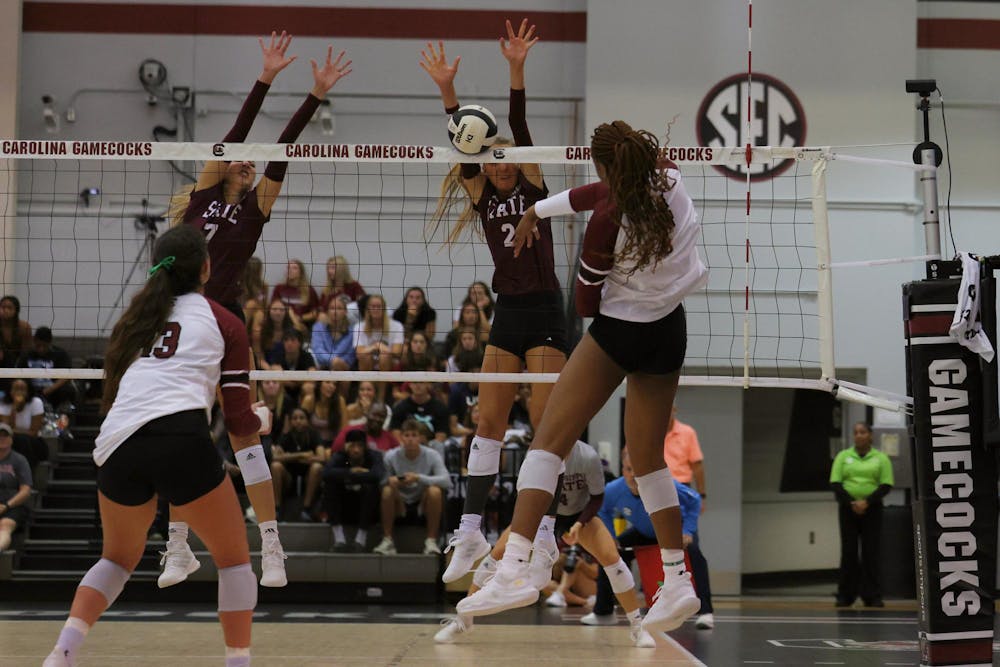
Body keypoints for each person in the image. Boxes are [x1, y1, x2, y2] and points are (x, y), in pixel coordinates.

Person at [455, 120, 708, 637]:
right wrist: (539, 208)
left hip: (620, 332)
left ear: (606, 167)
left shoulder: (605, 223)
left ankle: (514, 570)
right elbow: (600, 192)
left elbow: (587, 302)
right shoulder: (670, 176)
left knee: (547, 443)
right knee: (652, 461)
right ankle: (678, 580)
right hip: (671, 329)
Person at [161, 34, 350, 590]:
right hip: (179, 319)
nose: (242, 161)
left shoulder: (255, 211)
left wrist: (313, 94)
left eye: (247, 164)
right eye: (234, 160)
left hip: (219, 323)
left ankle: (273, 547)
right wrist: (264, 77)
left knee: (243, 433)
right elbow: (237, 134)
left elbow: (281, 149)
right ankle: (177, 549)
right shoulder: (200, 198)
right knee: (183, 433)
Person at [41, 225, 267, 667]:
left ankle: (61, 654)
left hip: (116, 443)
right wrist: (263, 418)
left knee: (117, 560)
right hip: (180, 435)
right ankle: (238, 663)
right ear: (206, 268)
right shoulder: (225, 321)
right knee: (235, 561)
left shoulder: (136, 319)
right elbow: (239, 420)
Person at [421, 20, 569, 585]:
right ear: (485, 163)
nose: (501, 163)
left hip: (547, 313)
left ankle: (547, 534)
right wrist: (447, 94)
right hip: (507, 312)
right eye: (493, 158)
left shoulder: (533, 187)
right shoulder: (481, 193)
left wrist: (516, 69)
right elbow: (463, 138)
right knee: (488, 420)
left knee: (544, 423)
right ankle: (472, 530)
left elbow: (523, 130)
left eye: (508, 156)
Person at [437, 441, 656, 648]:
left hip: (577, 515)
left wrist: (580, 523)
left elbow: (597, 498)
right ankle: (463, 620)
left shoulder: (587, 456)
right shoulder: (539, 451)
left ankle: (638, 626)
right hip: (541, 514)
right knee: (499, 551)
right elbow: (528, 495)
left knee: (612, 558)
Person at [586, 449, 714, 630]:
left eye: (637, 471)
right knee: (608, 554)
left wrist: (688, 530)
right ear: (623, 469)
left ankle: (706, 612)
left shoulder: (665, 485)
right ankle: (603, 612)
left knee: (695, 556)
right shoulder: (614, 490)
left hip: (674, 530)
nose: (632, 476)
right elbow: (602, 509)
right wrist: (611, 536)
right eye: (628, 469)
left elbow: (694, 501)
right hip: (644, 532)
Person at [830, 422, 893, 608]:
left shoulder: (881, 458)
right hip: (847, 509)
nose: (858, 435)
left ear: (870, 436)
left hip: (872, 509)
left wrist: (867, 502)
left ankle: (872, 595)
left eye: (862, 432)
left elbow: (886, 484)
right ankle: (845, 595)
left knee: (870, 552)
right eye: (856, 432)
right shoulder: (843, 456)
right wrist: (852, 502)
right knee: (849, 552)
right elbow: (835, 483)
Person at [374, 418, 452, 555]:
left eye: (414, 435)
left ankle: (431, 541)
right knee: (386, 490)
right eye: (407, 435)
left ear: (421, 438)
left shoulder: (431, 455)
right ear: (401, 437)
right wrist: (391, 480)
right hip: (399, 500)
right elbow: (381, 481)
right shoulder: (391, 456)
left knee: (435, 491)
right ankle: (387, 541)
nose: (410, 439)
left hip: (422, 499)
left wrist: (418, 478)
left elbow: (446, 481)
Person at [323, 428, 385, 552]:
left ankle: (361, 539)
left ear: (365, 447)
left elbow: (377, 475)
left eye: (359, 446)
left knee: (371, 487)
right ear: (346, 446)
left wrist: (346, 476)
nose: (356, 449)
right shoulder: (340, 456)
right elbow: (327, 473)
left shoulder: (374, 456)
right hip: (343, 507)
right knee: (330, 486)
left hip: (367, 509)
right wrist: (352, 471)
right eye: (352, 446)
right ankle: (339, 538)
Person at [271, 407, 326, 521]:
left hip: (309, 477)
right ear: (290, 421)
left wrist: (289, 456)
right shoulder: (286, 436)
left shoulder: (314, 435)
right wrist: (301, 455)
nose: (298, 421)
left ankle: (306, 508)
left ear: (307, 420)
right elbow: (275, 457)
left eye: (302, 418)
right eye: (295, 418)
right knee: (276, 466)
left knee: (317, 467)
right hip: (289, 478)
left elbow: (321, 458)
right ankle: (276, 508)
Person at [16, 326, 76, 408]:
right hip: (30, 390)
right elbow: (18, 374)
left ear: (50, 343)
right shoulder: (26, 355)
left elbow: (66, 376)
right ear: (34, 341)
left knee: (67, 390)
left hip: (52, 390)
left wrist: (48, 390)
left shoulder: (60, 354)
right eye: (38, 346)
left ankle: (63, 413)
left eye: (44, 346)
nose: (41, 349)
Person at [0, 423, 32, 553]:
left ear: (11, 439)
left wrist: (7, 505)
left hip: (12, 506)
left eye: (5, 436)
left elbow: (25, 490)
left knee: (5, 525)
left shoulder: (19, 460)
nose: (2, 439)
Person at [662, 407, 706, 499]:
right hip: (656, 486)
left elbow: (697, 465)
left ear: (674, 410)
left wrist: (701, 495)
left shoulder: (687, 432)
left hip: (682, 486)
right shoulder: (650, 432)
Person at [332, 401, 398, 453]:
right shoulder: (350, 431)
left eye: (381, 416)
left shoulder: (389, 439)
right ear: (367, 414)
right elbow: (335, 452)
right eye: (374, 415)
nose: (377, 419)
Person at [271, 259, 320, 326]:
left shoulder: (309, 290)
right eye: (288, 267)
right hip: (282, 323)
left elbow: (314, 313)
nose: (290, 270)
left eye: (294, 268)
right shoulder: (279, 288)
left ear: (301, 272)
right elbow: (273, 308)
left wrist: (299, 318)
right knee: (288, 309)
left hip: (302, 322)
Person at [0, 295, 32, 372]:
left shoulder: (24, 327)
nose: (5, 310)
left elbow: (26, 352)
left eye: (9, 308)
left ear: (16, 310)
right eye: (3, 307)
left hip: (20, 366)